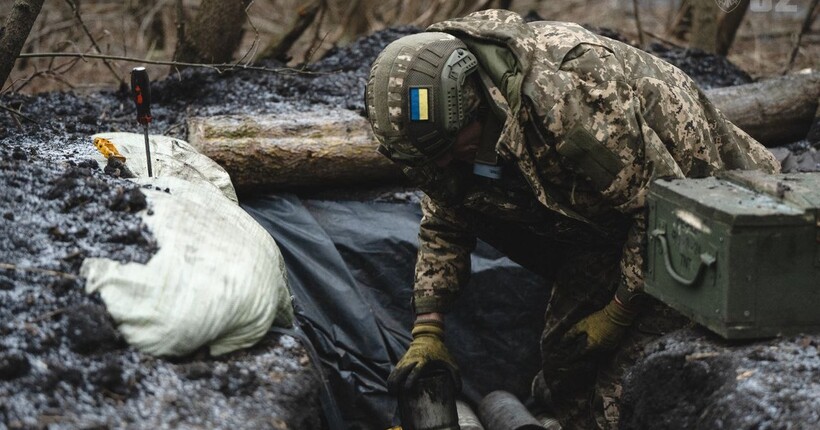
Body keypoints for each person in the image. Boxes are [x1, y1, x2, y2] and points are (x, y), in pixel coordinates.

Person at [364, 9, 779, 428]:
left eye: (454, 150)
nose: (449, 164)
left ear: (477, 105)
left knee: (624, 392)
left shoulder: (572, 97)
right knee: (567, 365)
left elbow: (656, 210)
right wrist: (428, 327)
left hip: (704, 219)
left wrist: (617, 313)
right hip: (603, 227)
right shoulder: (442, 143)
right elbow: (444, 220)